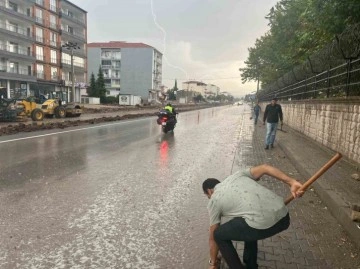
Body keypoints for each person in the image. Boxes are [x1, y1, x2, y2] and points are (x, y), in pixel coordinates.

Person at [202, 165, 303, 269]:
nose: (209, 198)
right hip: (284, 217)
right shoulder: (238, 175)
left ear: (209, 191)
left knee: (218, 235)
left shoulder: (214, 200)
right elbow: (265, 167)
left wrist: (213, 262)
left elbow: (212, 238)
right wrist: (291, 182)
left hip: (264, 224)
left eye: (208, 196)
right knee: (244, 221)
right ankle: (251, 265)